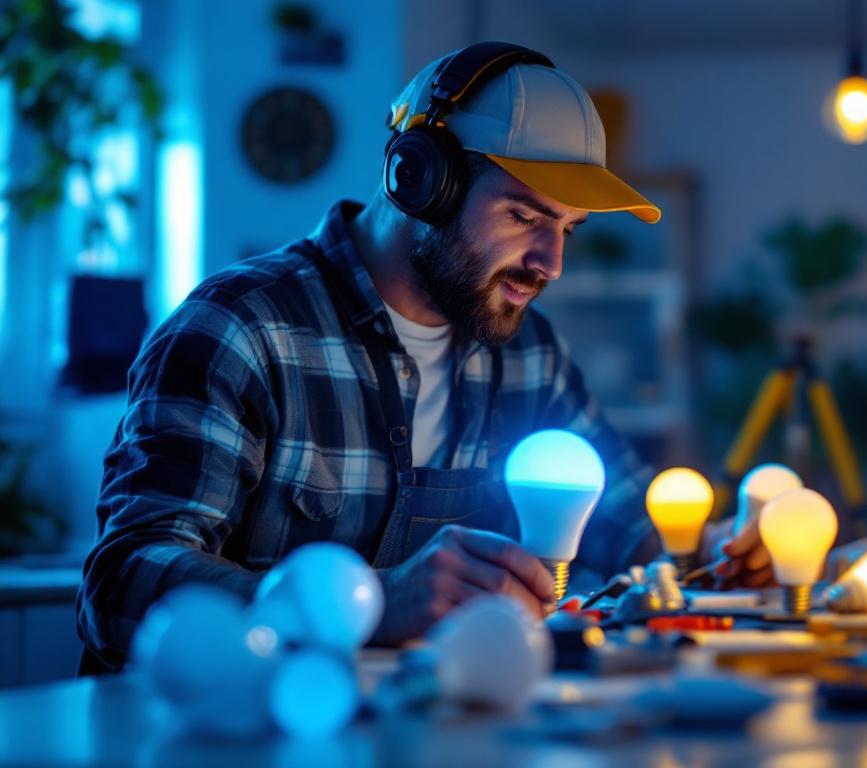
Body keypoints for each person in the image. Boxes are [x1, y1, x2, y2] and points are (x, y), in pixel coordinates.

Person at [76, 42, 775, 673]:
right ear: (421, 181)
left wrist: (723, 555)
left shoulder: (529, 354)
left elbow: (634, 530)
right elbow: (122, 586)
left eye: (568, 228)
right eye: (525, 217)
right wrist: (369, 604)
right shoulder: (241, 329)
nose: (552, 263)